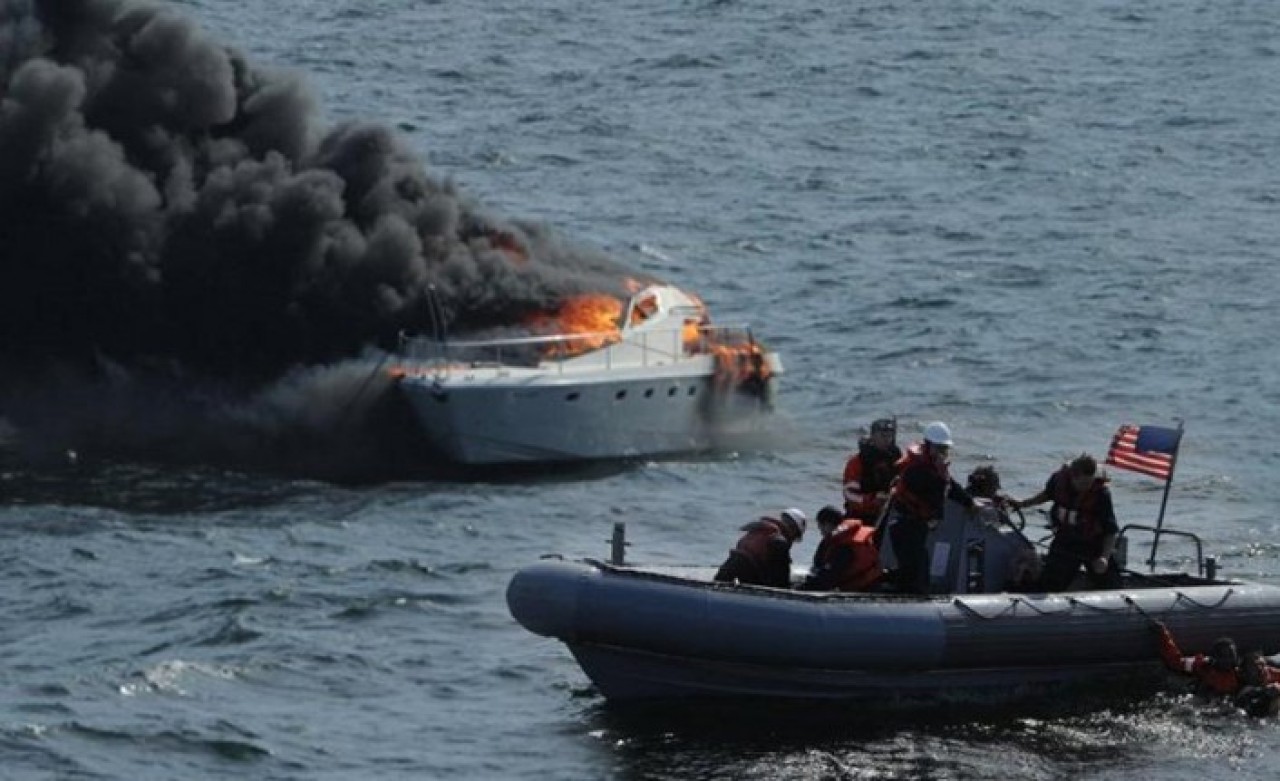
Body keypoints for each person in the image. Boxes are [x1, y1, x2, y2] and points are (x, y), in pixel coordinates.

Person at [884, 421, 977, 595]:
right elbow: (935, 491)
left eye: (945, 450)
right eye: (939, 449)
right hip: (906, 524)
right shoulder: (918, 470)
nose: (943, 454)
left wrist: (969, 502)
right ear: (928, 446)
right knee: (914, 566)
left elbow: (950, 488)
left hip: (917, 525)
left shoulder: (934, 469)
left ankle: (914, 592)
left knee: (919, 562)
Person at [1009, 453, 1121, 592]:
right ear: (1073, 476)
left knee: (1111, 584)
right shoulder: (1058, 481)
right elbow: (1047, 495)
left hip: (1093, 544)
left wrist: (1104, 557)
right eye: (1083, 483)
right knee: (1050, 583)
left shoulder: (1101, 494)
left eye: (1090, 482)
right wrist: (1023, 504)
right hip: (1066, 540)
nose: (1086, 487)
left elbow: (1110, 530)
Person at [713, 508, 807, 589]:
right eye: (795, 537)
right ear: (793, 530)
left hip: (726, 571)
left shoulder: (758, 531)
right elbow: (780, 581)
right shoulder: (779, 542)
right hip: (746, 575)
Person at [800, 505, 883, 592]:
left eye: (821, 525)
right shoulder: (833, 541)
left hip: (863, 588)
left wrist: (802, 589)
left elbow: (828, 579)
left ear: (828, 524)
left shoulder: (844, 547)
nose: (820, 529)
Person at [1151, 619, 1241, 697]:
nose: (1229, 660)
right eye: (1224, 657)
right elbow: (1176, 661)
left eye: (1231, 656)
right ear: (1214, 657)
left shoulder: (1240, 673)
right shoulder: (1202, 665)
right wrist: (1163, 634)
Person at [842, 418, 902, 522]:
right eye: (883, 436)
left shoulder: (896, 457)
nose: (887, 439)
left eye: (890, 436)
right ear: (873, 436)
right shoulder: (857, 462)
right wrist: (872, 500)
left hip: (890, 512)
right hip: (862, 515)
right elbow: (849, 494)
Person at [1234, 650, 1280, 718]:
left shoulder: (1273, 677)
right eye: (1254, 666)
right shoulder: (1243, 691)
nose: (1260, 669)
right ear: (1244, 673)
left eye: (1261, 665)